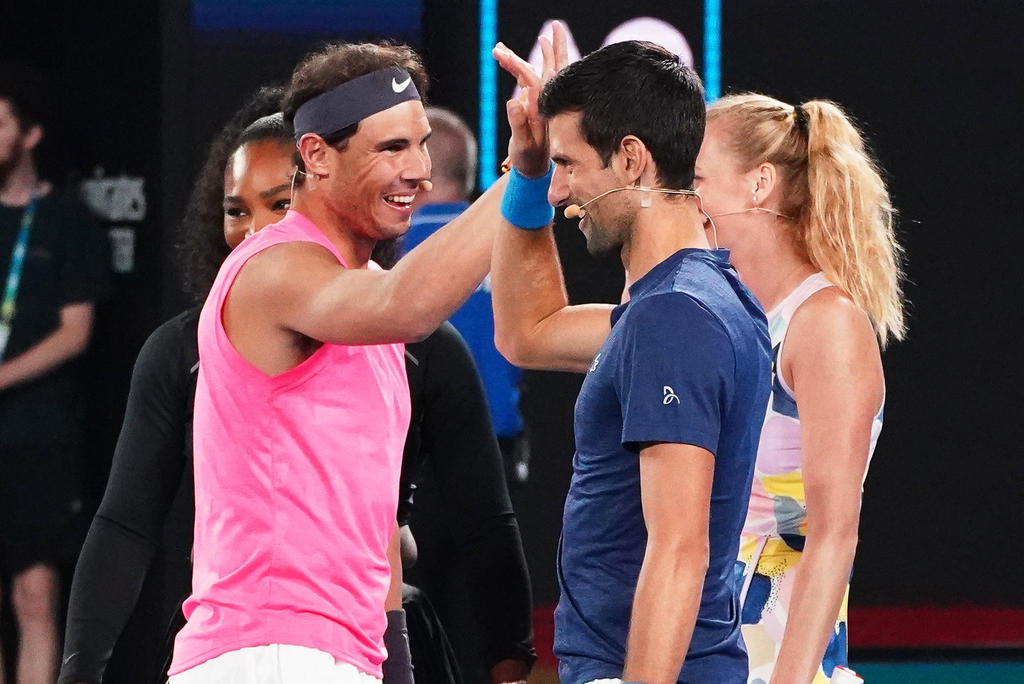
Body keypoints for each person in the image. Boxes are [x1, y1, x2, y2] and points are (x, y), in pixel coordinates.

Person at [167, 42, 510, 684]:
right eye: (391, 148)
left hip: (341, 652)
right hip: (269, 651)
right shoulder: (273, 267)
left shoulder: (366, 298)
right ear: (317, 156)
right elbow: (409, 305)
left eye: (421, 144)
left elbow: (373, 521)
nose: (420, 172)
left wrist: (395, 658)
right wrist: (524, 175)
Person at [491, 29, 771, 684]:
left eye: (568, 164)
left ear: (631, 159)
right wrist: (526, 173)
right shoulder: (691, 302)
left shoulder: (673, 318)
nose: (559, 192)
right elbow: (528, 332)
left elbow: (679, 551)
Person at [58, 87, 294, 684]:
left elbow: (472, 522)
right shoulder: (179, 352)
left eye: (280, 205)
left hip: (350, 645)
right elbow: (125, 523)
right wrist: (79, 672)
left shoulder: (398, 341)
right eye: (236, 210)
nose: (255, 231)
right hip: (222, 650)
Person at [695, 93, 905, 684]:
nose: (683, 199)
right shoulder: (726, 313)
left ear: (758, 184)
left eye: (697, 179)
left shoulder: (826, 325)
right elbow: (531, 337)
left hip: (774, 644)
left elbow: (830, 534)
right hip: (708, 622)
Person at [0, 62, 108, 684]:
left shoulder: (67, 220)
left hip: (38, 434)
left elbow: (76, 331)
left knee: (34, 594)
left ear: (30, 134)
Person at [402, 107, 528, 488]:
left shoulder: (387, 250)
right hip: (497, 452)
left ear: (417, 171)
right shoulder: (512, 242)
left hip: (418, 454)